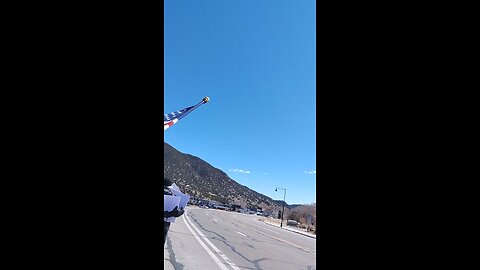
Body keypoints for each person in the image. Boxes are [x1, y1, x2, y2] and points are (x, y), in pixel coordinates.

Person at [164, 177, 185, 245]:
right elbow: (177, 212)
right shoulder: (172, 194)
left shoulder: (171, 194)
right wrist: (173, 213)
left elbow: (177, 211)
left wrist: (178, 212)